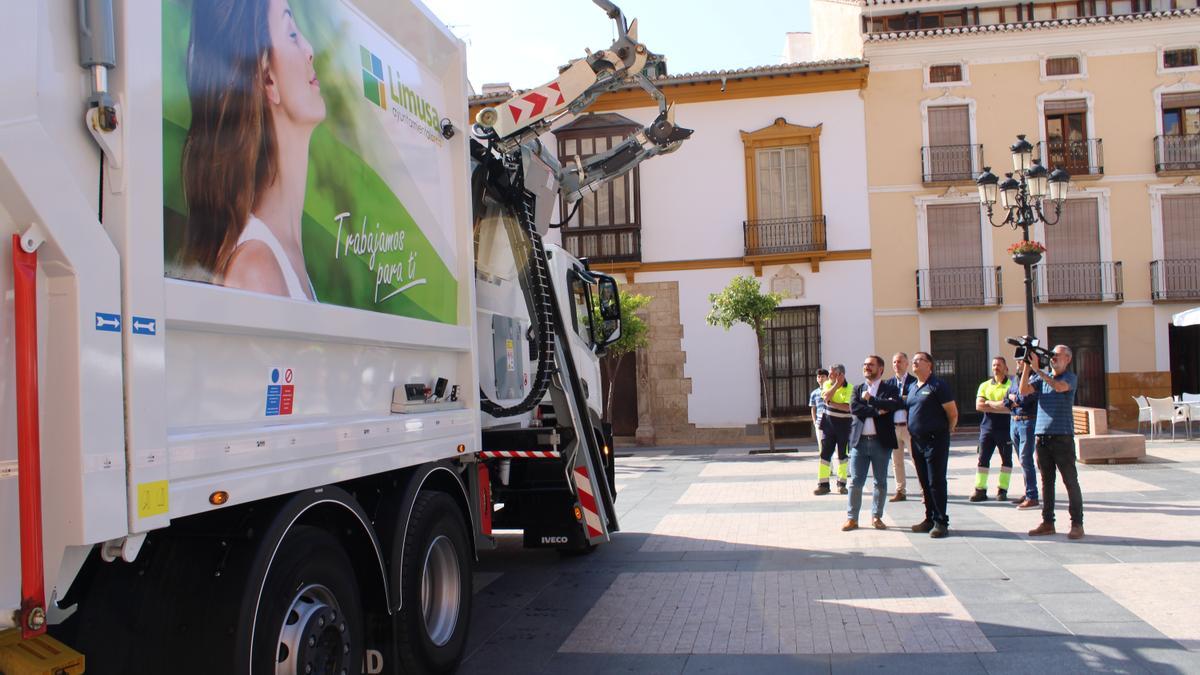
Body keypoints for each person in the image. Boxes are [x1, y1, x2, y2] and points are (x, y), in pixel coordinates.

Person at [179, 0, 326, 301]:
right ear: (267, 79)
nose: (310, 49)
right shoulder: (257, 269)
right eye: (292, 35)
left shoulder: (277, 254)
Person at [1021, 344, 1084, 539]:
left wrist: (1038, 369)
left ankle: (1077, 524)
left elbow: (1058, 387)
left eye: (1058, 355)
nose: (1054, 358)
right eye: (1052, 355)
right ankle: (1048, 522)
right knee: (1047, 482)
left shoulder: (1069, 378)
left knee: (1070, 481)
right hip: (1042, 437)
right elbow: (1023, 391)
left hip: (1062, 437)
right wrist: (1027, 365)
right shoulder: (1041, 377)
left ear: (1068, 359)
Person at [842, 355, 904, 531]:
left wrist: (871, 399)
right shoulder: (857, 388)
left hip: (880, 442)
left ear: (881, 369)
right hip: (859, 443)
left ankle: (876, 517)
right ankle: (852, 518)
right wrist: (877, 411)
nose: (866, 367)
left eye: (871, 365)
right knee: (855, 482)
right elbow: (855, 409)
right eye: (865, 364)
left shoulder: (890, 389)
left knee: (880, 482)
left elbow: (895, 405)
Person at [905, 351, 958, 538]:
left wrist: (948, 429)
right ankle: (929, 518)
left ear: (929, 365)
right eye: (913, 361)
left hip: (936, 440)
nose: (914, 363)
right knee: (924, 482)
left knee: (936, 481)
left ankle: (941, 521)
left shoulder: (938, 385)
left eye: (918, 360)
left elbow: (952, 412)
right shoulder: (913, 386)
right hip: (917, 441)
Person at [972, 356, 1015, 502]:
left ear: (1005, 368)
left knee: (1006, 460)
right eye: (994, 365)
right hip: (987, 429)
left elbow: (1010, 408)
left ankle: (1002, 490)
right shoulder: (984, 385)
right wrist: (999, 404)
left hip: (1005, 429)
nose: (996, 367)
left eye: (999, 365)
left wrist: (989, 404)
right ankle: (980, 490)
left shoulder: (1012, 384)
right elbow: (979, 406)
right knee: (983, 459)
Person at [814, 364, 853, 496]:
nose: (829, 376)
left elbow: (847, 407)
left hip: (843, 427)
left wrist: (831, 403)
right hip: (828, 427)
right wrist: (836, 385)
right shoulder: (827, 384)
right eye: (829, 373)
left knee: (843, 456)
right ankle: (823, 484)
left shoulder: (850, 388)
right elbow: (825, 398)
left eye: (832, 373)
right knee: (824, 456)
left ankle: (841, 484)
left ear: (840, 374)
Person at [1006, 360, 1040, 509]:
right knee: (1022, 460)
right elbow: (1006, 398)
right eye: (1018, 361)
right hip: (1014, 421)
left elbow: (1024, 398)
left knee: (1026, 458)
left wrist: (1015, 398)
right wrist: (1012, 399)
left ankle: (1032, 496)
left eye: (1021, 360)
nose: (1019, 363)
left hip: (1028, 422)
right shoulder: (1016, 378)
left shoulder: (1035, 379)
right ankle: (1028, 492)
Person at [889, 352, 917, 502]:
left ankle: (924, 490)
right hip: (893, 427)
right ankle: (900, 491)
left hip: (909, 428)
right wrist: (901, 400)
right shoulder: (889, 383)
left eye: (900, 362)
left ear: (907, 364)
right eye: (894, 362)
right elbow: (886, 403)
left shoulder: (914, 382)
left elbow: (912, 402)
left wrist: (896, 401)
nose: (896, 365)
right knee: (896, 461)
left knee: (916, 459)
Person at [810, 369, 830, 449]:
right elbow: (813, 408)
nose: (821, 378)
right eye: (819, 377)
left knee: (834, 446)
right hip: (819, 422)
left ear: (827, 378)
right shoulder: (814, 393)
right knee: (821, 446)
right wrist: (814, 422)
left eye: (823, 376)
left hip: (831, 422)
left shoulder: (832, 390)